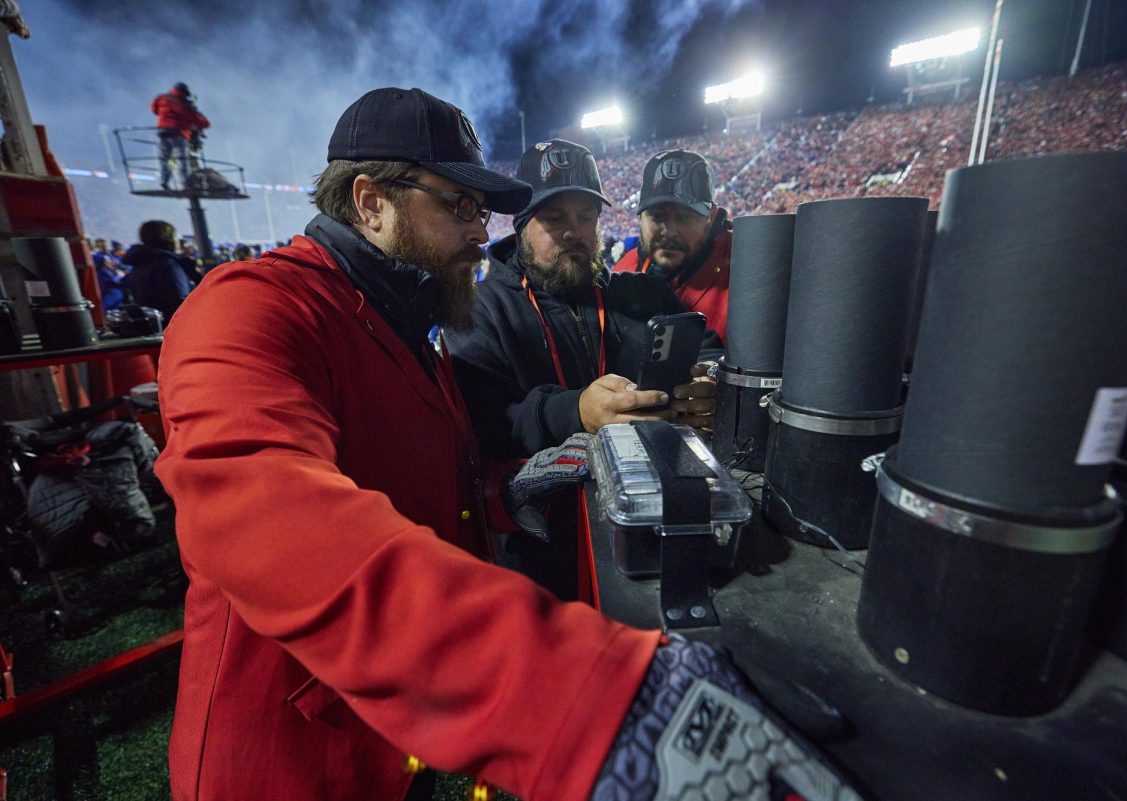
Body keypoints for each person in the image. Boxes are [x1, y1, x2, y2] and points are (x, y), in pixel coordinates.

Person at [154, 87, 857, 801]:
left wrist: (504, 488)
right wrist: (591, 698)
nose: (478, 230)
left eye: (482, 210)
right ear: (370, 202)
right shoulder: (248, 308)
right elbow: (280, 530)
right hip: (285, 758)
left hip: (397, 736)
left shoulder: (402, 324)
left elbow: (409, 481)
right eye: (458, 205)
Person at [447, 138, 721, 461]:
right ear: (521, 226)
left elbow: (707, 348)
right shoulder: (479, 310)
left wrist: (710, 378)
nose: (573, 232)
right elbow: (484, 423)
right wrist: (576, 412)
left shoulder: (645, 292)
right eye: (555, 218)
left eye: (586, 217)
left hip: (650, 490)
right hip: (545, 505)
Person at [613, 149, 733, 340]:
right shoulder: (623, 270)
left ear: (710, 216)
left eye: (685, 217)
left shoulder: (744, 272)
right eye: (657, 216)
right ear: (640, 217)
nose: (669, 231)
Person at [123, 220, 192, 324]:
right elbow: (180, 301)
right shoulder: (167, 264)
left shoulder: (140, 263)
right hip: (177, 326)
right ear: (169, 238)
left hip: (156, 325)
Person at [151, 82, 209, 191]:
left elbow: (154, 108)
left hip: (162, 132)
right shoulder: (184, 105)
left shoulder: (161, 98)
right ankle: (184, 185)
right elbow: (203, 122)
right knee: (181, 160)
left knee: (164, 159)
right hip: (177, 134)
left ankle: (164, 181)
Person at [91, 237, 127, 312]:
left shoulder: (113, 258)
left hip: (116, 288)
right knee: (104, 309)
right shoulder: (97, 257)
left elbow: (121, 269)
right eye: (99, 244)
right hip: (107, 288)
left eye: (104, 244)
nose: (104, 246)